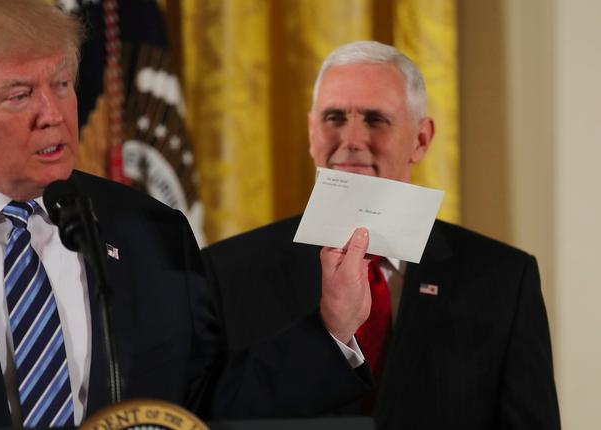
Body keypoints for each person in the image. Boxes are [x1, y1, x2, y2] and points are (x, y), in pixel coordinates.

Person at [0, 1, 373, 428]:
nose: (53, 114)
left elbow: (200, 406)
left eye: (61, 84)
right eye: (18, 95)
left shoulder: (151, 232)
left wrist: (333, 329)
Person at [202, 41, 560, 430]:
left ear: (421, 140)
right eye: (334, 118)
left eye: (375, 119)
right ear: (311, 133)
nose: (351, 139)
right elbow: (203, 418)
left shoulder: (503, 280)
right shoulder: (228, 270)